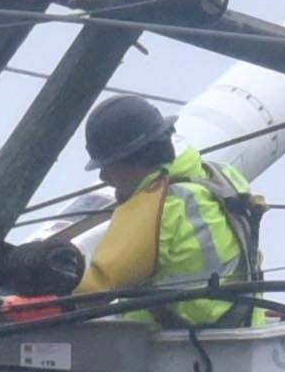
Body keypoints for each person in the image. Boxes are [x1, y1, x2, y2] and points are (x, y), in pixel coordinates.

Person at [70, 93, 264, 326]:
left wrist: (47, 272)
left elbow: (94, 293)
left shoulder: (159, 209)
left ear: (133, 159)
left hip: (182, 349)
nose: (103, 177)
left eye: (108, 166)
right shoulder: (219, 175)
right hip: (243, 327)